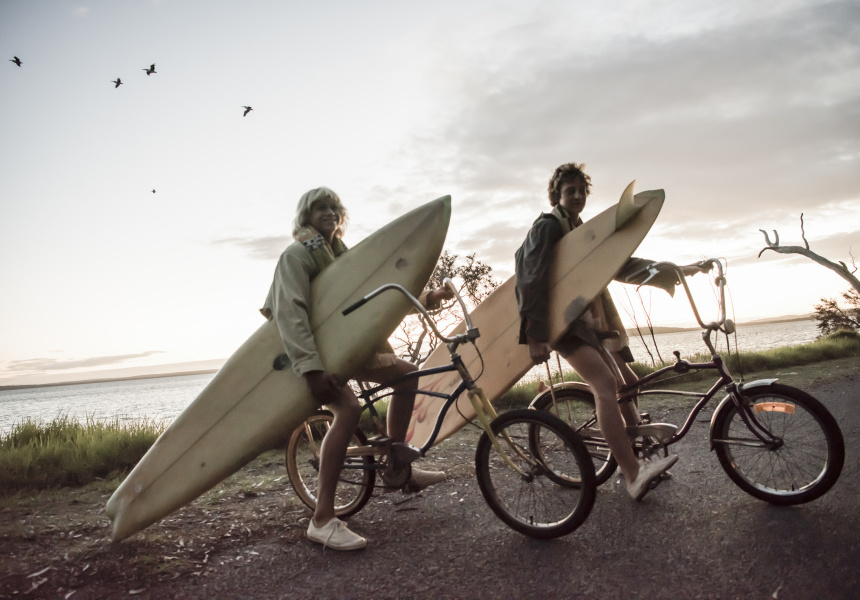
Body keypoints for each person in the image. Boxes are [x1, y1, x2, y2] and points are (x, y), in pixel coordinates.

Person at [261, 187, 449, 550]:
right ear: (305, 216)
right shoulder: (296, 257)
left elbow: (380, 298)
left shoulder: (342, 257)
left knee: (408, 374)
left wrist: (427, 299)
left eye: (334, 206)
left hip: (350, 350)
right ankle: (322, 519)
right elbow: (290, 314)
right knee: (348, 409)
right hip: (315, 356)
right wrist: (311, 370)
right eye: (320, 207)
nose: (329, 212)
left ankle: (398, 466)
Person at [515, 163, 703, 501]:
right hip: (559, 323)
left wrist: (675, 270)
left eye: (581, 190)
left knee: (625, 384)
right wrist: (535, 333)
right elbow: (530, 277)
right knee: (605, 384)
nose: (576, 195)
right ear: (556, 195)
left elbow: (619, 264)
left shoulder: (582, 229)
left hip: (587, 321)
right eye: (568, 190)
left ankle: (634, 457)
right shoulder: (546, 227)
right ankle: (633, 474)